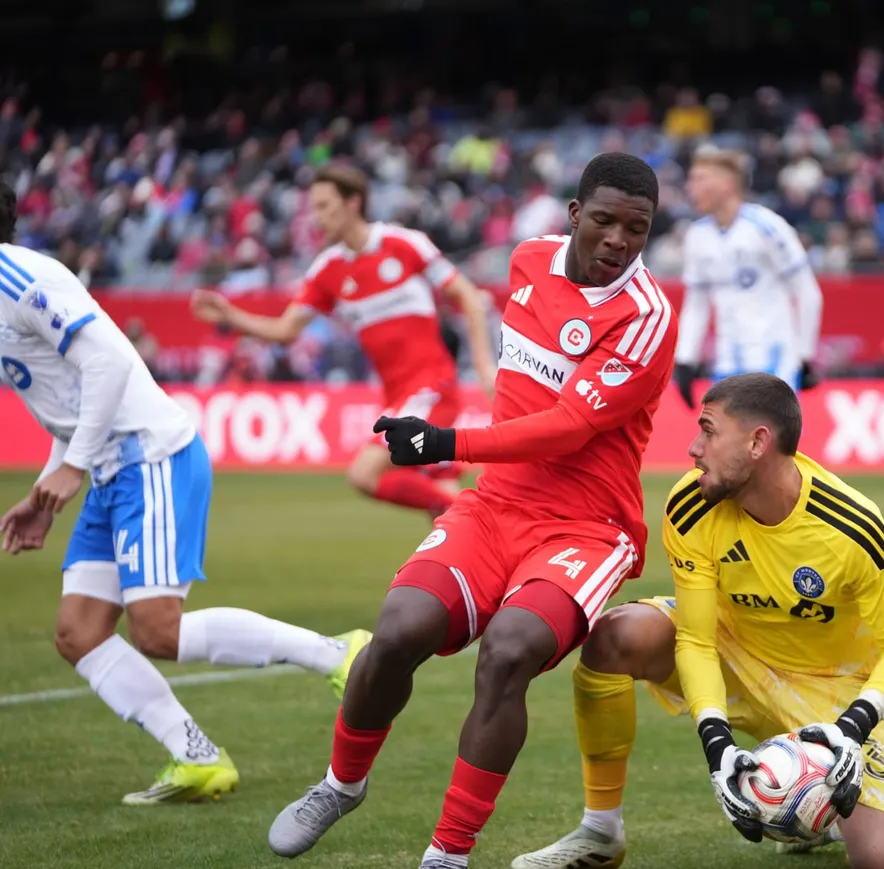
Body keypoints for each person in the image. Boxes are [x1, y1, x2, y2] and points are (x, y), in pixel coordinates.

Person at [265, 152, 677, 869]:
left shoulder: (645, 316)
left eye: (636, 229)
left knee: (510, 649)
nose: (618, 240)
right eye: (605, 221)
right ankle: (340, 783)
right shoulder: (527, 261)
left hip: (585, 525)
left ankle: (447, 855)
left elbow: (567, 427)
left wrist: (447, 442)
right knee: (396, 630)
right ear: (576, 215)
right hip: (495, 506)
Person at [0, 180, 370, 805]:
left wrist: (74, 466)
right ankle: (196, 758)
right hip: (110, 468)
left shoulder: (19, 279)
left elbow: (110, 366)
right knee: (78, 631)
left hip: (152, 455)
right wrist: (46, 487)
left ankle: (339, 652)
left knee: (158, 631)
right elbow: (69, 400)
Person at [513, 373, 884, 869]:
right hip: (731, 650)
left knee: (883, 859)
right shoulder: (692, 504)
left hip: (829, 691)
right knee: (616, 636)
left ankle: (811, 803)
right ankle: (601, 830)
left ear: (757, 443)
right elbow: (696, 638)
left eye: (708, 431)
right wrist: (718, 746)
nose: (693, 448)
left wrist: (852, 728)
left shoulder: (853, 528)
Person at [191, 163, 496, 517]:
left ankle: (484, 519)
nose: (316, 217)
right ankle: (474, 544)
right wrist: (230, 315)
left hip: (431, 388)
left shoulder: (404, 243)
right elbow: (285, 330)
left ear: (353, 203)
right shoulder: (328, 269)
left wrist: (484, 366)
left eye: (324, 206)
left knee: (364, 473)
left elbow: (469, 297)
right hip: (396, 396)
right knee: (443, 511)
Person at [672, 148, 824, 406]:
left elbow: (807, 292)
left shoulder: (767, 226)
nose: (691, 187)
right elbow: (696, 304)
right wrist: (685, 359)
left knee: (769, 443)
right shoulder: (697, 236)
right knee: (726, 443)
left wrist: (804, 356)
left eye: (700, 179)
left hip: (773, 356)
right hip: (728, 359)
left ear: (727, 184)